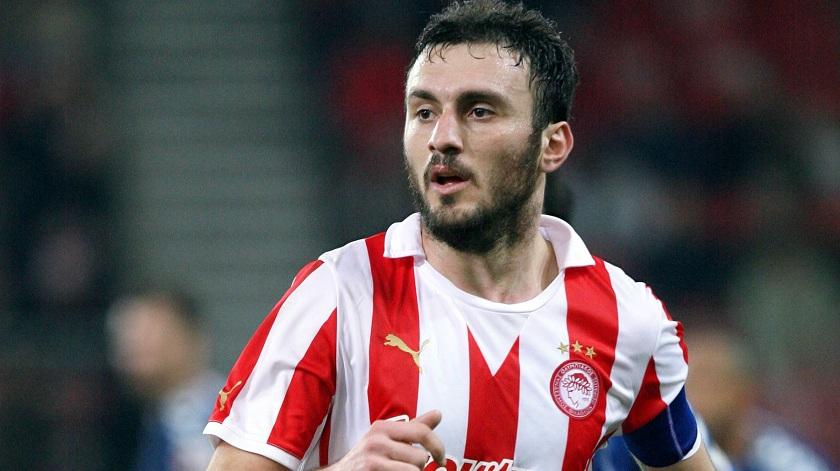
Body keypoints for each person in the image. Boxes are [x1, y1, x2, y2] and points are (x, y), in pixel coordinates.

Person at [204, 1, 716, 469]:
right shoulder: (337, 294)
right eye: (424, 112)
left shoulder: (628, 320)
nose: (441, 138)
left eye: (479, 111)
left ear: (552, 146)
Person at [107, 286, 224, 471]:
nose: (132, 344)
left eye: (148, 331)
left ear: (191, 337)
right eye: (124, 333)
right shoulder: (161, 415)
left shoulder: (195, 418)